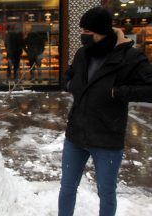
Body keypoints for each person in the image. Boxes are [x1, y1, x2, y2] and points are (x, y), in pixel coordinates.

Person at [58, 7, 152, 216]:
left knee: (107, 192)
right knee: (67, 187)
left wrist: (117, 92)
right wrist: (71, 84)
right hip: (76, 135)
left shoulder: (130, 57)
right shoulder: (83, 53)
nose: (83, 36)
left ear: (101, 31)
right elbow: (69, 75)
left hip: (107, 138)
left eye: (88, 33)